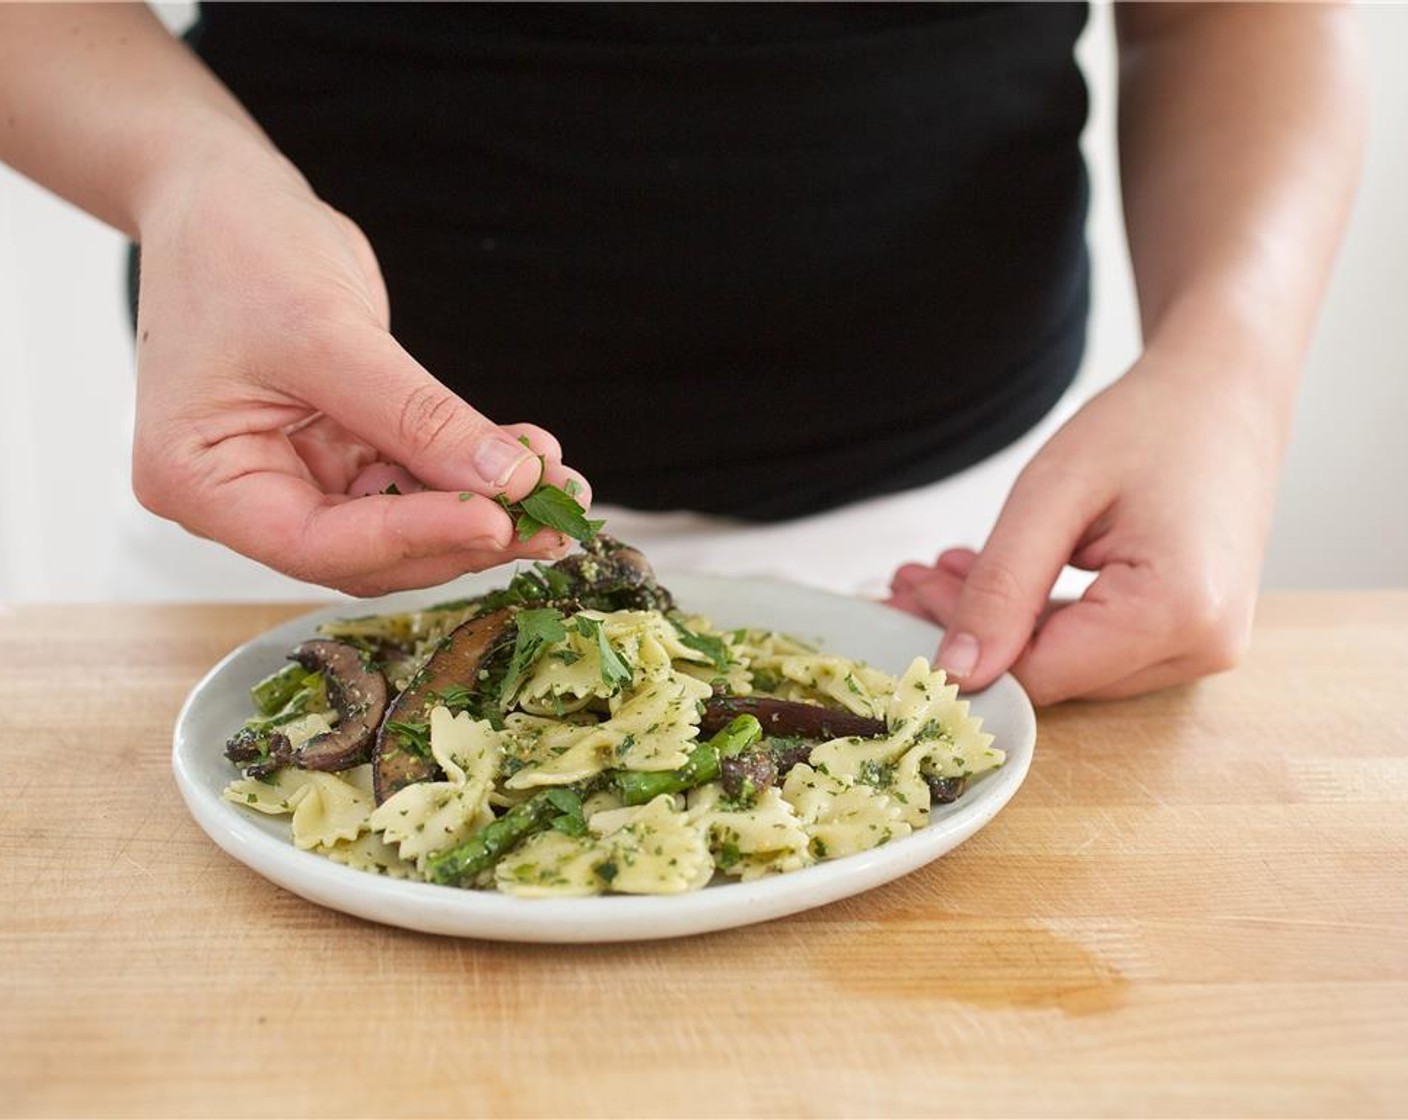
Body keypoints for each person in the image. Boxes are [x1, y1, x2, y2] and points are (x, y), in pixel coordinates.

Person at [0, 3, 1365, 704]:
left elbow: (1227, 10)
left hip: (968, 560)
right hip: (286, 511)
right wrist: (182, 174)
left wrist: (1233, 366)